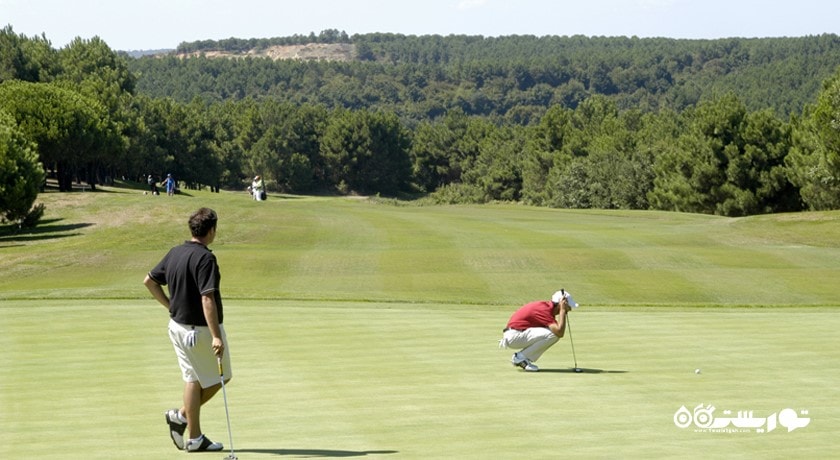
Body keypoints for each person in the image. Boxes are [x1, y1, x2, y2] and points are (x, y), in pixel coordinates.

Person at [143, 207, 231, 452]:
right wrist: (216, 336)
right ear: (211, 230)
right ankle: (182, 417)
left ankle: (193, 436)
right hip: (199, 331)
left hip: (177, 327)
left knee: (192, 379)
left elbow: (149, 281)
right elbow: (207, 298)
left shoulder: (176, 252)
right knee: (221, 377)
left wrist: (169, 305)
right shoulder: (206, 258)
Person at [499, 289, 578, 372]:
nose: (570, 309)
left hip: (516, 334)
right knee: (554, 334)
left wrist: (562, 310)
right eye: (568, 306)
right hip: (514, 336)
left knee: (552, 331)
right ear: (561, 303)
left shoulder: (546, 308)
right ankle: (519, 358)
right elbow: (559, 332)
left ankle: (521, 358)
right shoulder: (544, 310)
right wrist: (562, 310)